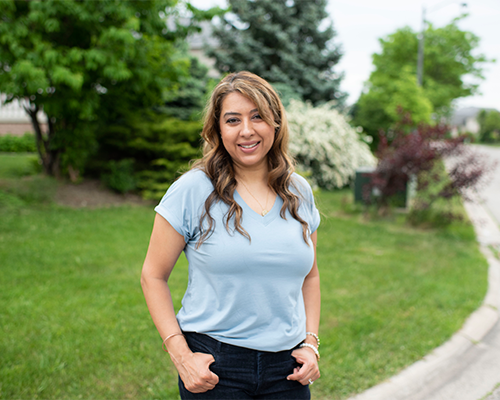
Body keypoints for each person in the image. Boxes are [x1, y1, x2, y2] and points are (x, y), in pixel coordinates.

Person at [141, 71, 321, 400]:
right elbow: (152, 276)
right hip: (216, 368)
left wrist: (311, 343)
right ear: (218, 129)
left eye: (258, 117)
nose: (247, 130)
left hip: (289, 370)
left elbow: (310, 274)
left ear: (276, 123)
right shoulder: (192, 190)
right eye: (233, 120)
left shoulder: (299, 192)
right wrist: (182, 357)